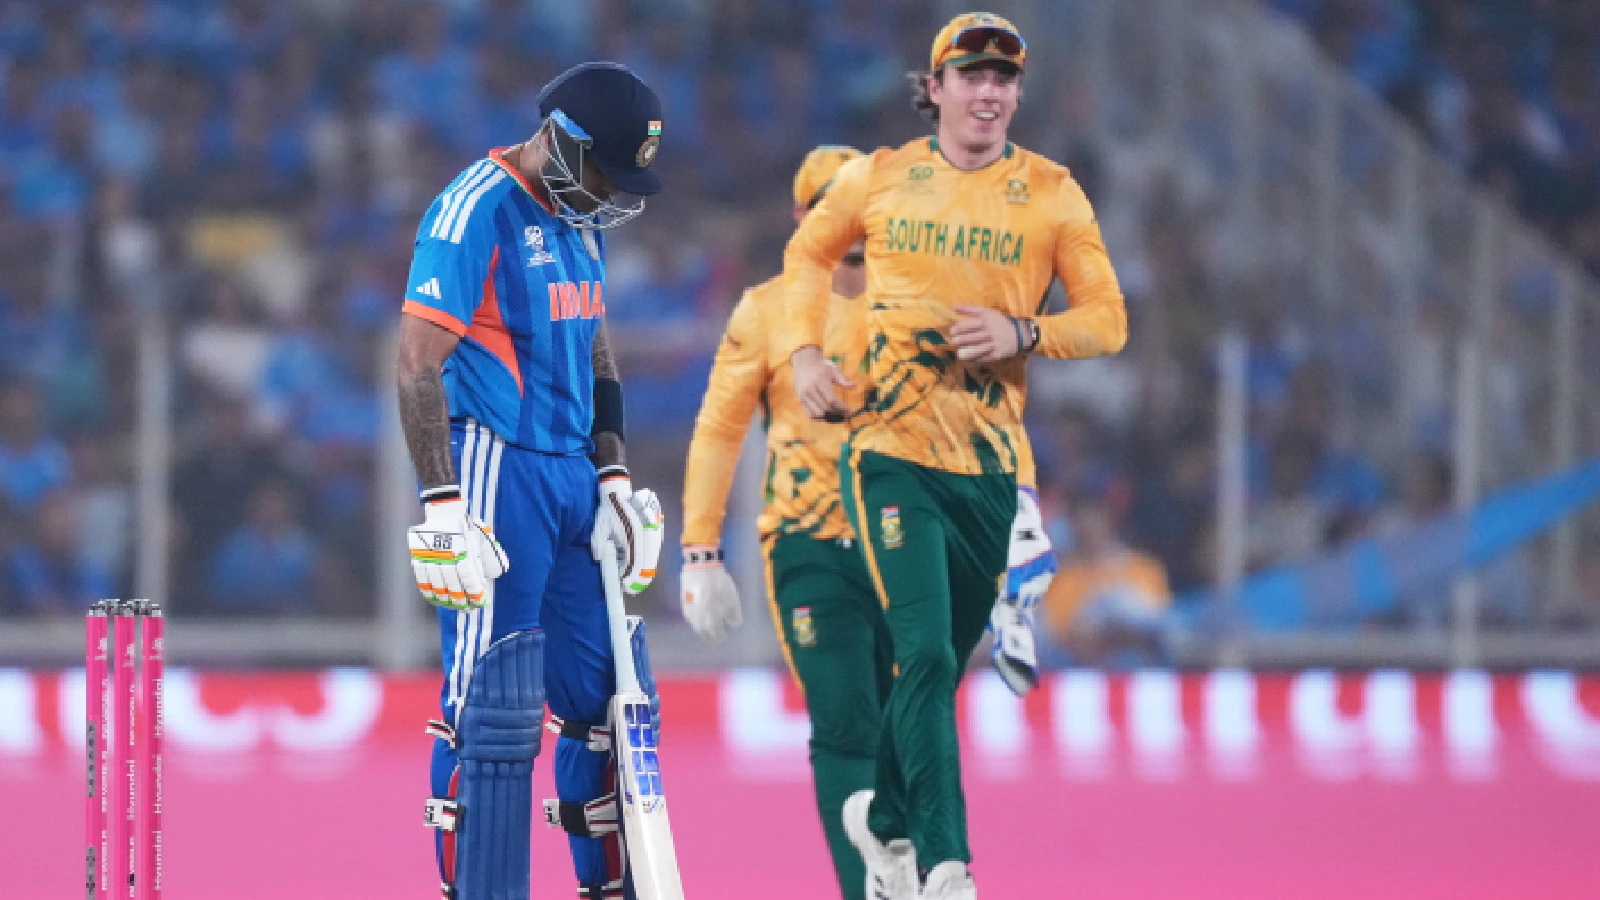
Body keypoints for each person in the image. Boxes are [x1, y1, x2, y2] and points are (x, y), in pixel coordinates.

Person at [782, 13, 1127, 900]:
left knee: (946, 660)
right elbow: (807, 253)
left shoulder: (1052, 193)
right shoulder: (882, 177)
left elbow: (1108, 319)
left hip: (988, 467)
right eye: (969, 75)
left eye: (1003, 80)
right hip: (890, 454)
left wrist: (1023, 330)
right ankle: (946, 866)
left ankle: (883, 820)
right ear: (932, 88)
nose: (988, 92)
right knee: (926, 654)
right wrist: (807, 356)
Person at [679, 143, 1059, 900]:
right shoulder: (767, 312)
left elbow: (989, 417)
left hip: (911, 532)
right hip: (811, 543)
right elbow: (720, 429)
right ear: (802, 219)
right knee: (848, 722)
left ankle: (912, 865)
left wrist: (1019, 502)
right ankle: (872, 888)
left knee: (915, 701)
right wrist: (699, 550)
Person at [395, 62, 668, 900]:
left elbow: (595, 342)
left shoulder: (580, 214)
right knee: (492, 702)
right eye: (604, 173)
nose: (611, 195)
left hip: (574, 480)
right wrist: (444, 504)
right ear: (560, 139)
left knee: (612, 703)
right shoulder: (473, 206)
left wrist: (615, 474)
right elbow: (414, 364)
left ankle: (607, 889)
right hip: (494, 465)